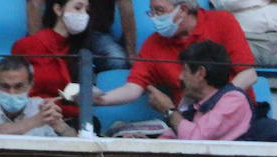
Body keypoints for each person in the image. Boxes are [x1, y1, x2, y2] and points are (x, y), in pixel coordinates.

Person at [93, 0, 257, 111]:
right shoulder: (153, 44)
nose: (155, 18)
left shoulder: (222, 21)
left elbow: (248, 74)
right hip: (191, 125)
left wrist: (216, 104)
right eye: (151, 12)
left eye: (160, 11)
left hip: (237, 113)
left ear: (183, 10)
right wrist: (101, 99)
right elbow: (133, 88)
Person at [149, 40, 251, 140]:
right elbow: (173, 137)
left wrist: (169, 110)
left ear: (200, 73)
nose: (180, 77)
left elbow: (197, 140)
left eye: (184, 70)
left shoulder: (234, 100)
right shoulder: (195, 105)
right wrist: (145, 143)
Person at [0, 56, 75, 136]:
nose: (12, 92)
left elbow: (75, 143)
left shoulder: (41, 106)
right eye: (5, 86)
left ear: (31, 85)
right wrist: (36, 120)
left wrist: (61, 127)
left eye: (19, 86)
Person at [23, 0, 134, 72]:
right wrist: (36, 43)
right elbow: (34, 3)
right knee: (33, 61)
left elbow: (126, 8)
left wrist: (131, 52)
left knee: (117, 60)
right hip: (57, 30)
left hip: (97, 33)